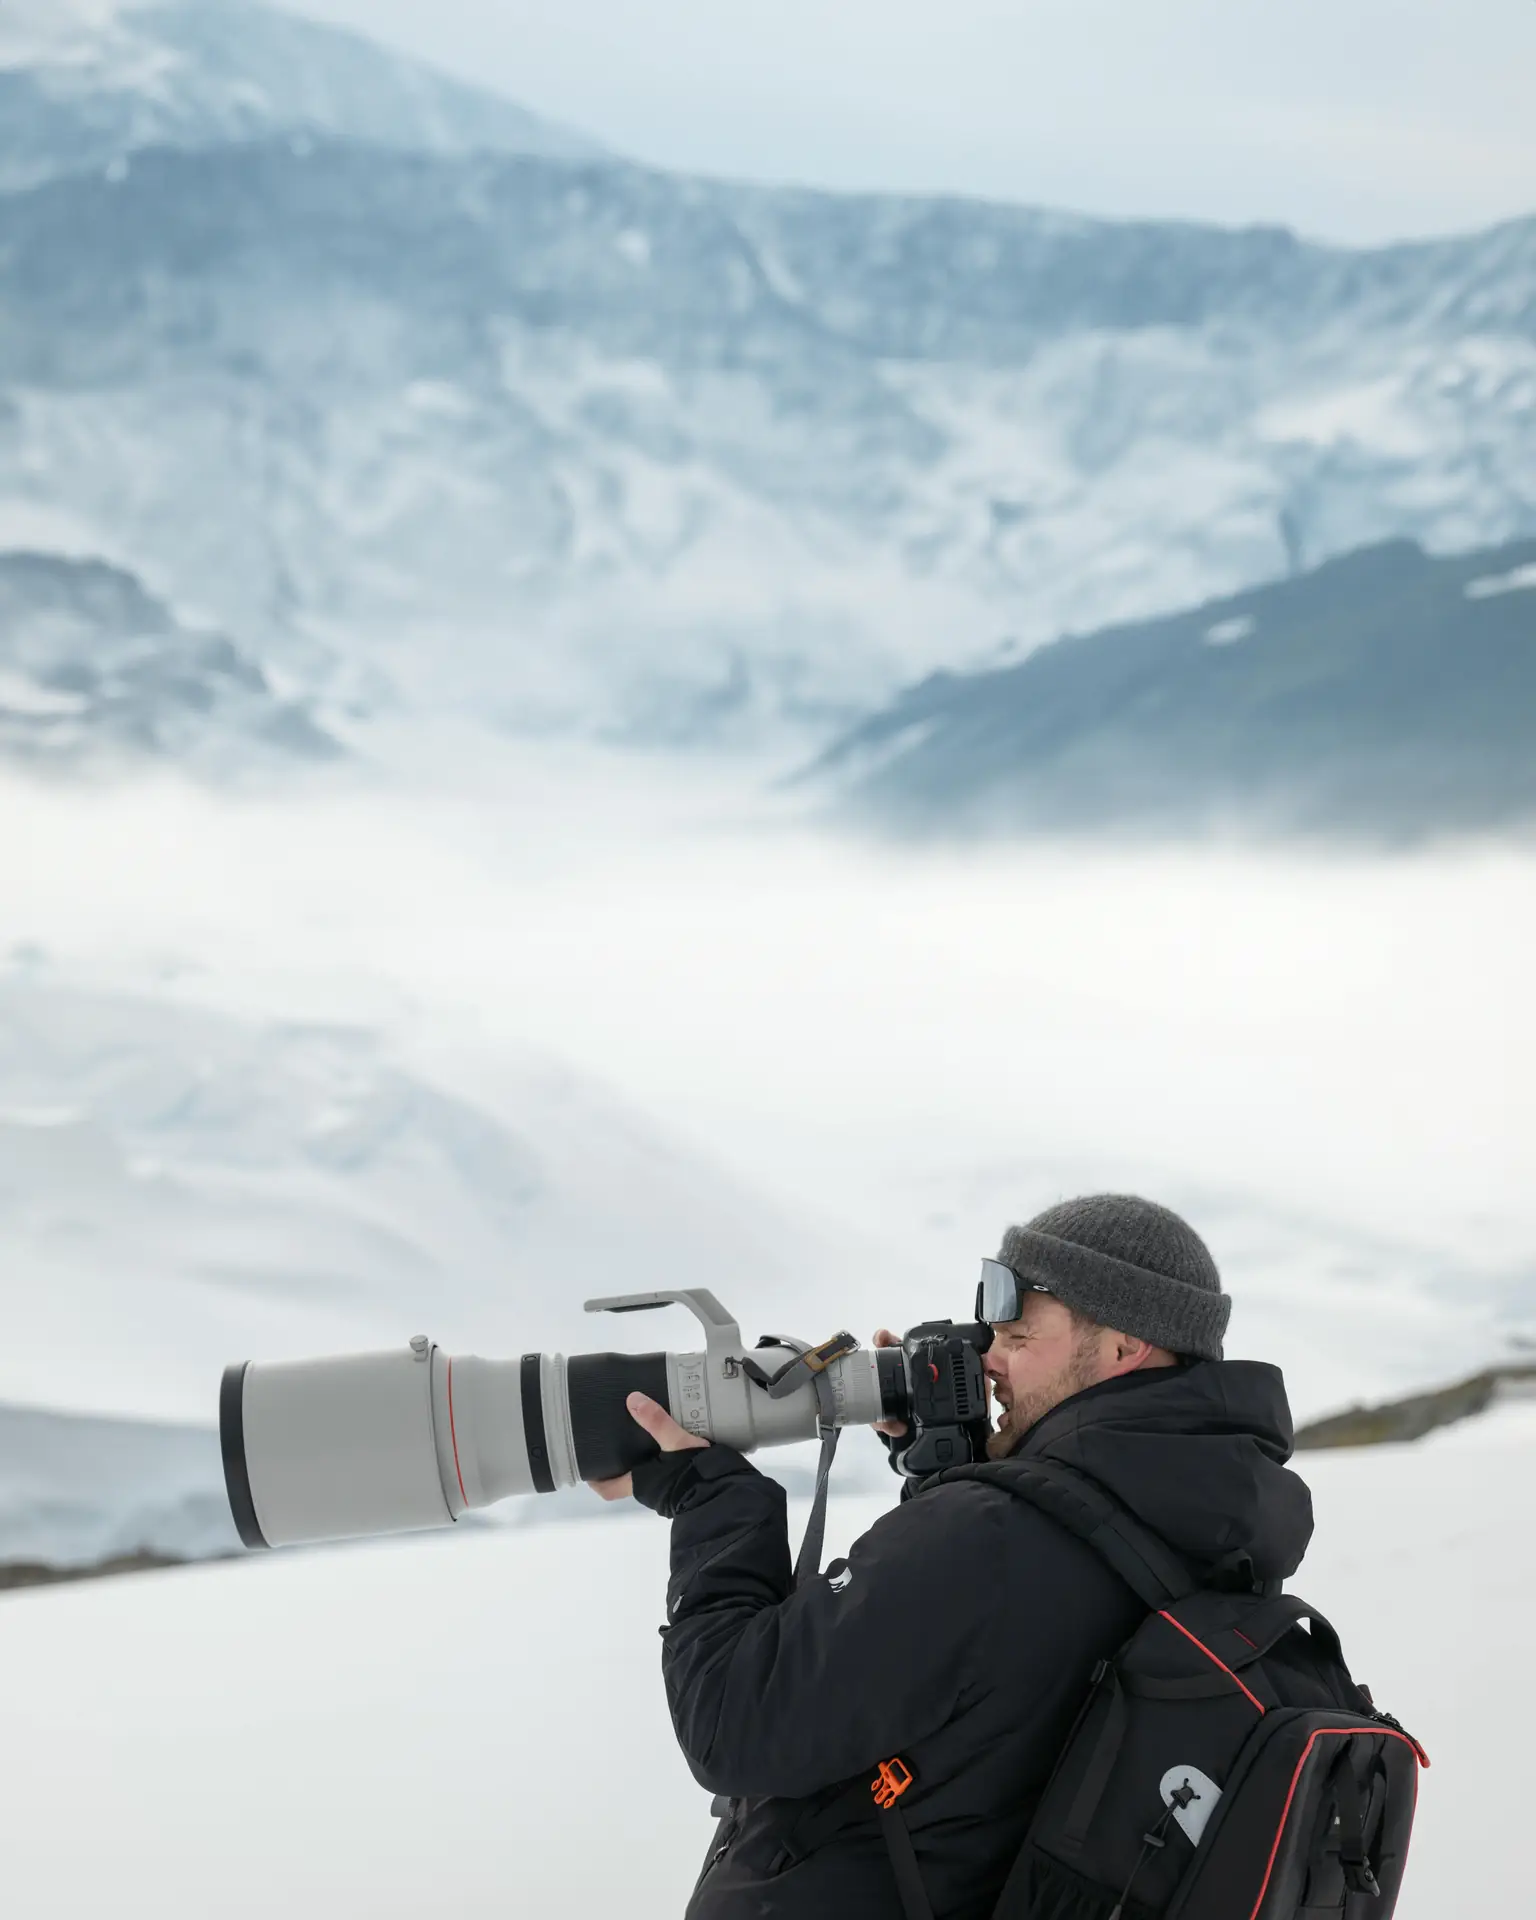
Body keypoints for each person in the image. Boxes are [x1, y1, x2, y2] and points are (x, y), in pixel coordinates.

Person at [588, 1194, 1315, 1920]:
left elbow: (734, 1725)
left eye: (1019, 1334)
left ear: (1125, 1347)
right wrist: (956, 1474)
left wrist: (714, 1506)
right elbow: (1006, 1713)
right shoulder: (1213, 1527)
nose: (989, 1357)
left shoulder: (990, 1538)